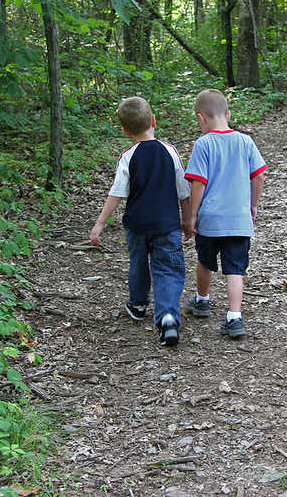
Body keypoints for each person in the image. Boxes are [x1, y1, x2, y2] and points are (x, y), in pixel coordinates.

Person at [89, 96, 191, 347]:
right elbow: (183, 190)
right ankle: (167, 315)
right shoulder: (170, 151)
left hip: (136, 224)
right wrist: (188, 219)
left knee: (138, 263)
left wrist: (100, 223)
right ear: (154, 120)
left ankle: (138, 303)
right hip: (166, 224)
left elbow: (117, 192)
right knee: (167, 268)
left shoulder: (128, 156)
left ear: (125, 131)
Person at [183, 89, 267, 339]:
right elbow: (259, 175)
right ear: (228, 114)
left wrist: (193, 216)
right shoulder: (245, 141)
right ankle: (234, 317)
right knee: (235, 269)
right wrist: (252, 205)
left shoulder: (203, 144)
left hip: (210, 221)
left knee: (205, 261)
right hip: (239, 221)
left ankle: (202, 300)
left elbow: (198, 183)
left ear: (201, 118)